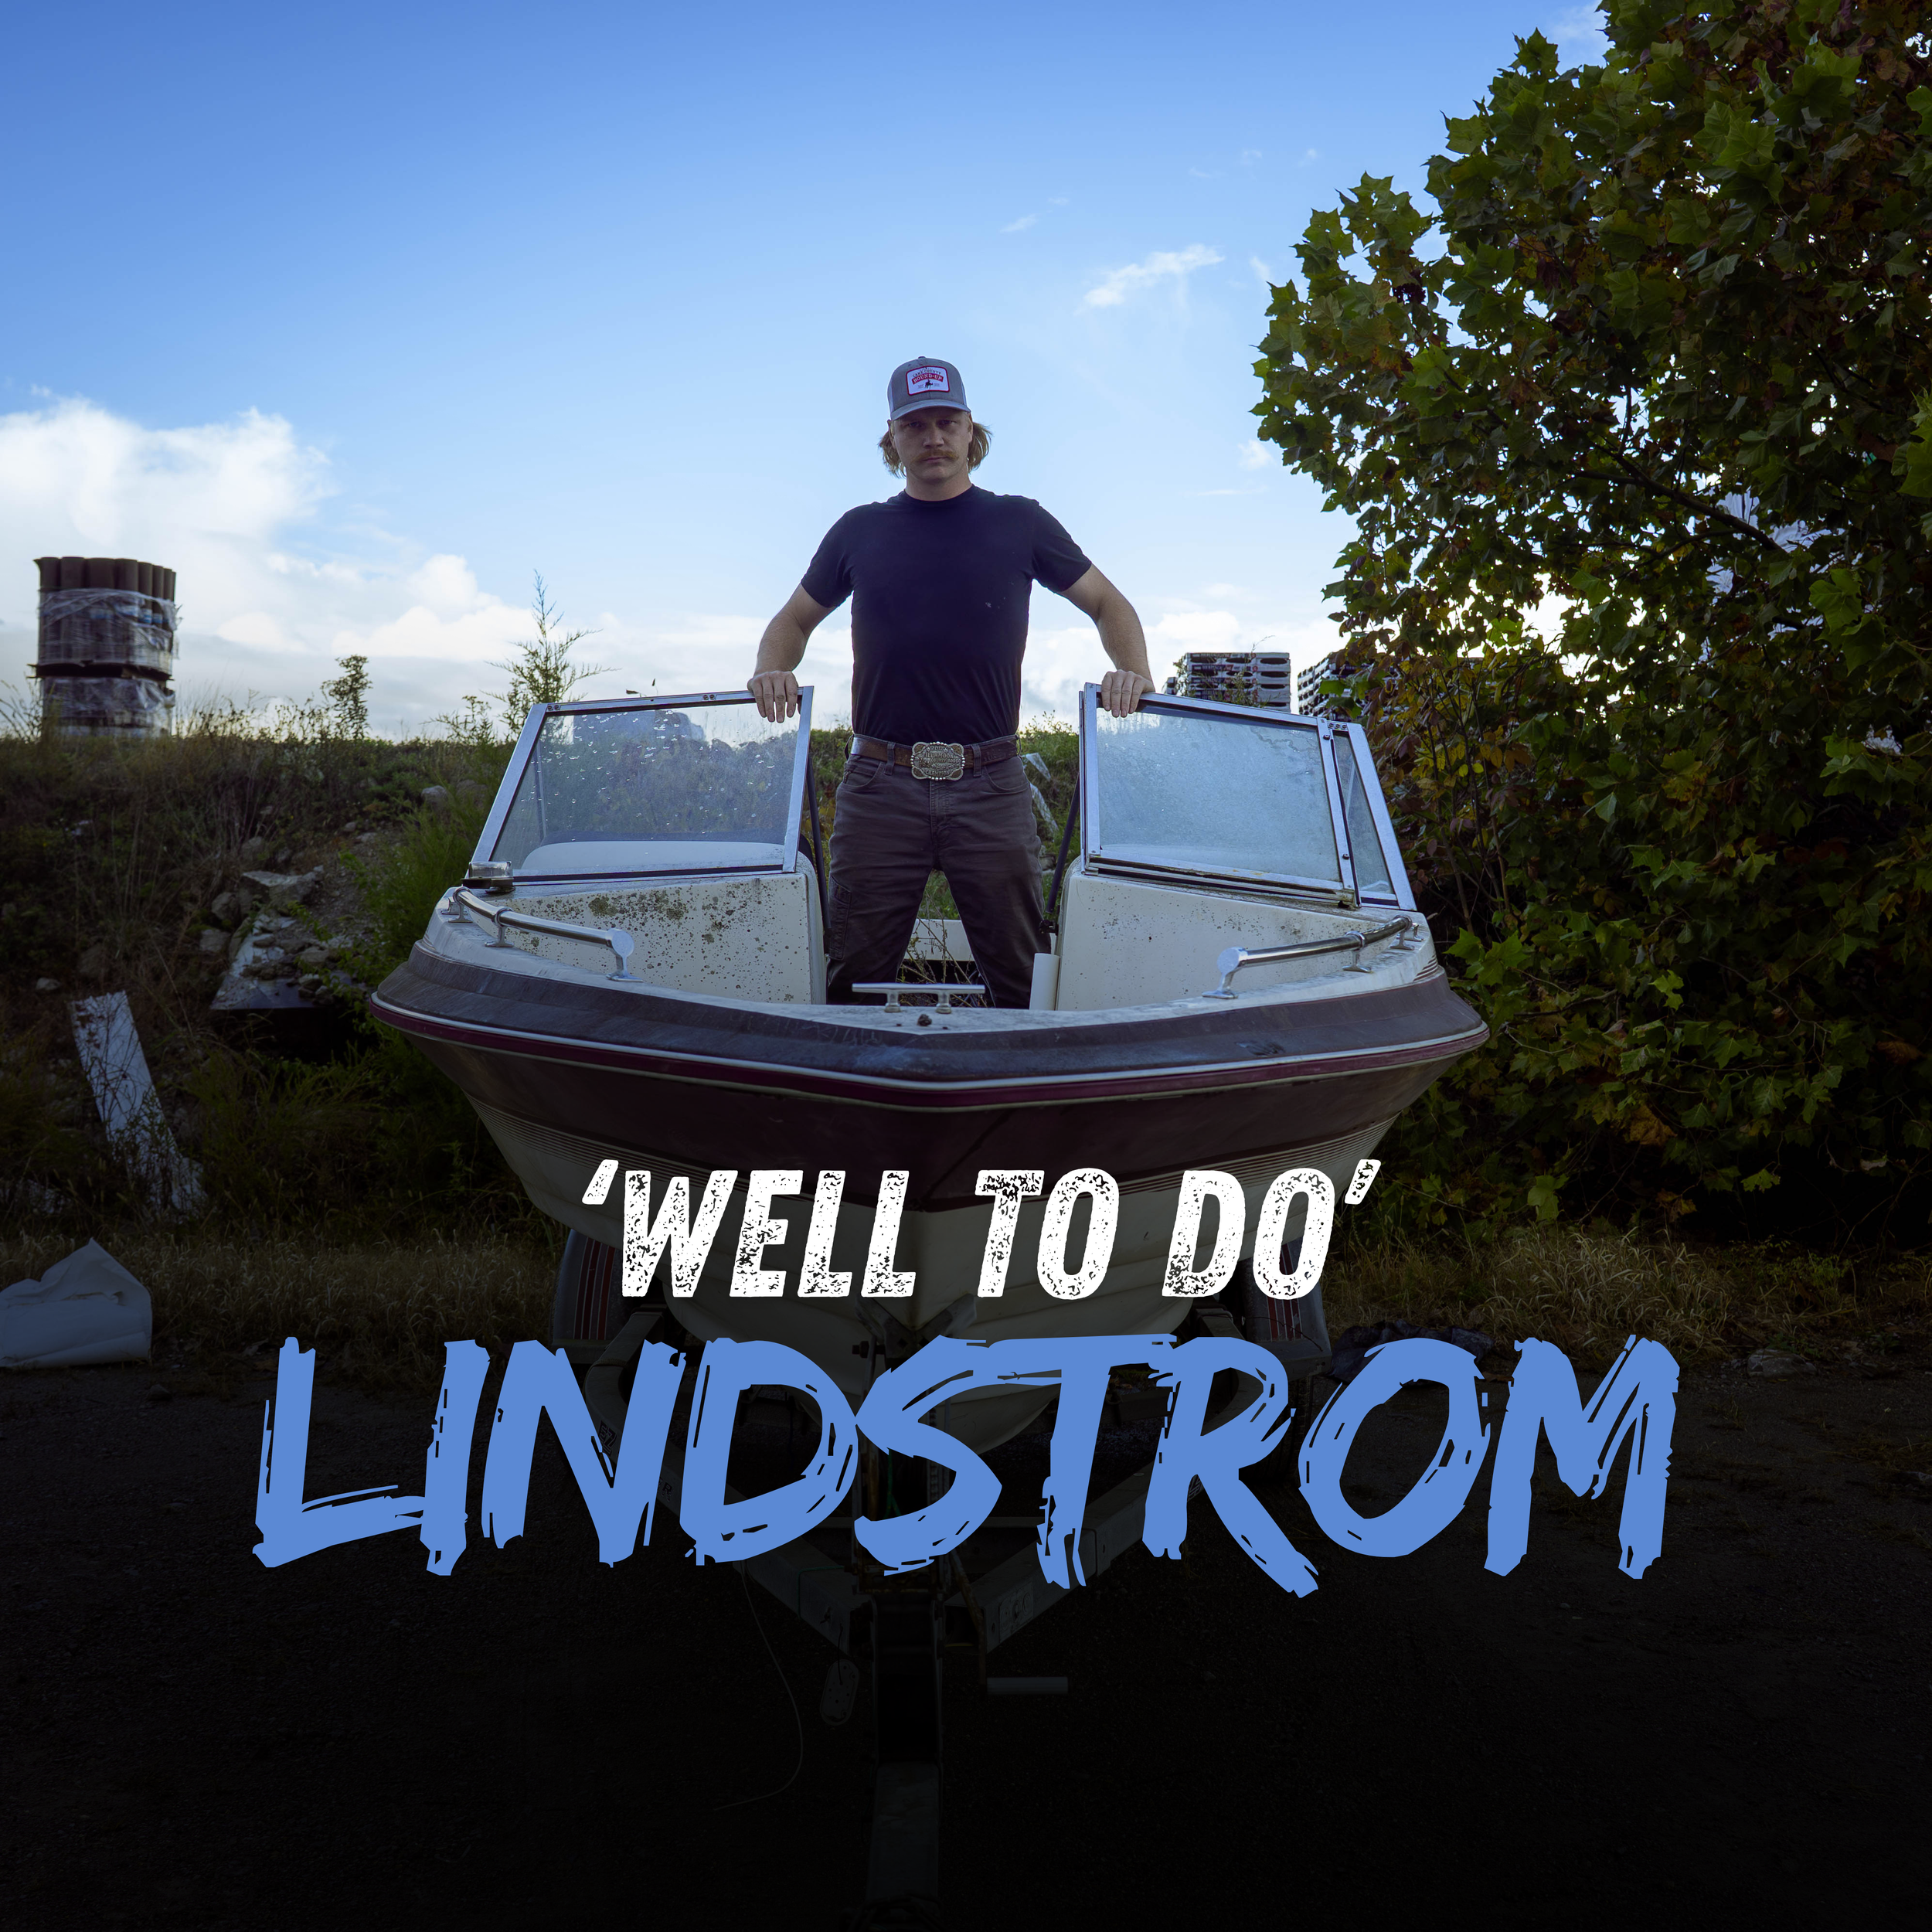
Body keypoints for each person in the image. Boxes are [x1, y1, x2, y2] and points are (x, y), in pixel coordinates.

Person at [747, 357, 1154, 1008]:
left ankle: (1022, 1074)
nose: (932, 437)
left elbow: (1110, 604)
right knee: (851, 983)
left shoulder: (1022, 523)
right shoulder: (858, 530)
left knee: (1023, 984)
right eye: (915, 425)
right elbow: (791, 621)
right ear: (892, 437)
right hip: (879, 787)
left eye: (946, 422)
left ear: (970, 430)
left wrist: (1134, 672)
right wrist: (772, 670)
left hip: (992, 784)